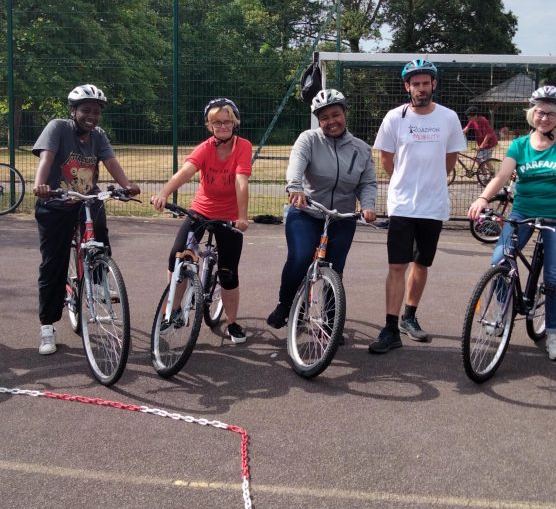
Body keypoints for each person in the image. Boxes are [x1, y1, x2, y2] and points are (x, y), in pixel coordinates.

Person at [467, 86, 556, 361]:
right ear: (533, 114)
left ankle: (553, 334)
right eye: (541, 113)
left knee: (554, 277)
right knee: (500, 261)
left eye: (552, 114)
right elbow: (502, 176)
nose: (545, 118)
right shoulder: (520, 145)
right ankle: (504, 310)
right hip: (524, 212)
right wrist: (483, 198)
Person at [30, 84, 140, 355]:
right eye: (85, 110)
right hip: (55, 202)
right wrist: (40, 184)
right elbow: (47, 157)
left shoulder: (98, 135)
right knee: (53, 265)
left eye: (96, 111)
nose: (91, 115)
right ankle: (47, 326)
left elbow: (111, 162)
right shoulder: (58, 127)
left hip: (86, 201)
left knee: (100, 235)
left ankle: (100, 279)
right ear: (73, 111)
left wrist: (126, 185)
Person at [368, 58, 467, 354]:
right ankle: (390, 328)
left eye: (426, 83)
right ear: (407, 87)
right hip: (402, 205)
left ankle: (409, 317)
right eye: (416, 83)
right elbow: (386, 158)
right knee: (397, 264)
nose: (421, 88)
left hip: (433, 205)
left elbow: (450, 160)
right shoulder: (394, 118)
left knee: (421, 264)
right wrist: (403, 181)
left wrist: (432, 181)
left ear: (434, 84)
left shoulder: (448, 118)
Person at [266, 89, 378, 329]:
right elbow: (296, 163)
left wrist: (368, 206)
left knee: (336, 270)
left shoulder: (361, 149)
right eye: (324, 118)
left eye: (335, 115)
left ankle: (330, 322)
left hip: (342, 216)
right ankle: (285, 305)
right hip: (307, 211)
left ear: (345, 114)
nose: (331, 122)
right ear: (319, 120)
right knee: (300, 256)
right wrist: (295, 187)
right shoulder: (309, 139)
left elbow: (367, 183)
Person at [150, 98, 252, 344]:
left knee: (228, 273)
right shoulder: (205, 148)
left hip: (229, 216)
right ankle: (172, 311)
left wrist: (241, 216)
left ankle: (232, 322)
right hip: (202, 211)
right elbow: (185, 172)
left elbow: (241, 181)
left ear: (235, 122)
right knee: (177, 256)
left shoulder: (243, 146)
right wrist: (164, 193)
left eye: (227, 121)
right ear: (209, 125)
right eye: (217, 122)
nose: (222, 126)